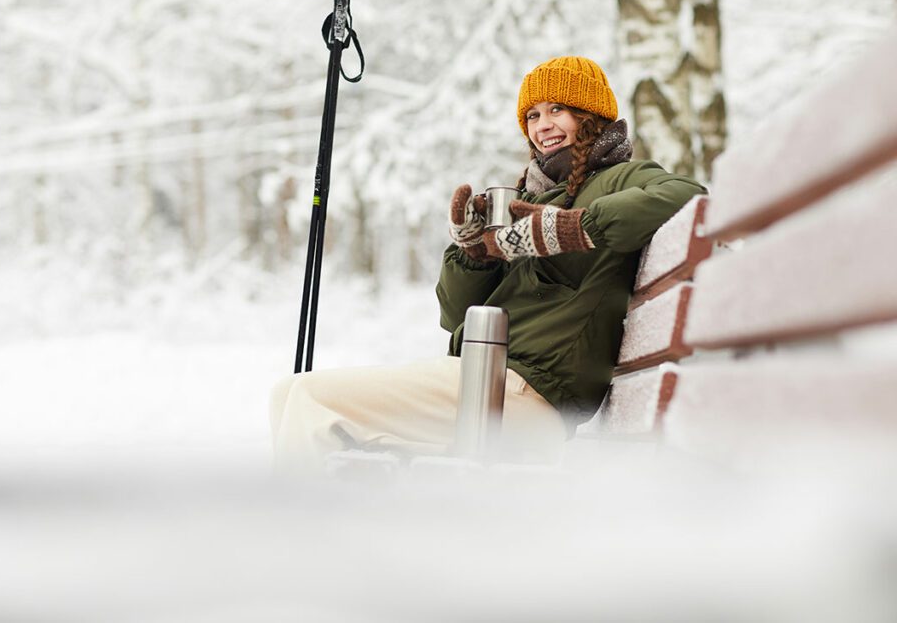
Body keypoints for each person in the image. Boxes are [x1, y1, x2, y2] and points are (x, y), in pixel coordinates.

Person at [270, 56, 706, 473]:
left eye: (558, 109)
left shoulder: (618, 178)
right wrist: (472, 252)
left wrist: (574, 228)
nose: (543, 125)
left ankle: (306, 536)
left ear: (590, 115)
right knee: (286, 393)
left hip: (523, 397)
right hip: (486, 379)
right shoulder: (529, 197)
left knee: (310, 399)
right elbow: (455, 316)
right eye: (532, 116)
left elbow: (689, 194)